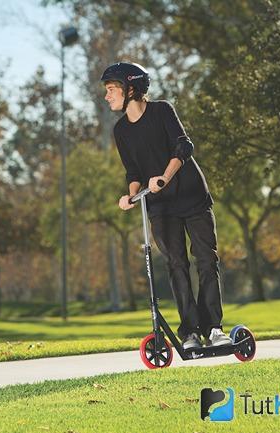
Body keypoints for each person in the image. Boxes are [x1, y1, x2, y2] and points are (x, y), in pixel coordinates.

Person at [101, 61, 232, 350]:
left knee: (206, 260)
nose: (107, 96)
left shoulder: (162, 110)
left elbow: (183, 147)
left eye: (112, 89)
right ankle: (190, 333)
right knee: (176, 265)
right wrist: (131, 196)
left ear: (131, 88)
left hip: (191, 196)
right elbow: (133, 172)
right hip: (159, 205)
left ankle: (214, 329)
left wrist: (165, 177)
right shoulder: (121, 130)